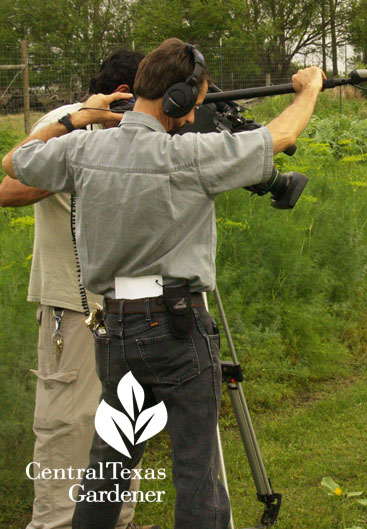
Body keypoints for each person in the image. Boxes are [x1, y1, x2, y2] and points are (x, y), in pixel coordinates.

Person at [2, 37, 325, 529]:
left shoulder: (85, 148)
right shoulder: (189, 156)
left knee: (106, 468)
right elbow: (278, 137)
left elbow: (14, 161)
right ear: (176, 99)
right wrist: (308, 90)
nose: (195, 115)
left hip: (114, 333)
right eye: (195, 103)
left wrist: (77, 118)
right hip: (178, 327)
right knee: (196, 469)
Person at [0, 49, 156, 529]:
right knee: (69, 425)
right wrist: (80, 145)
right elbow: (7, 189)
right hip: (75, 305)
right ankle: (57, 523)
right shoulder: (62, 124)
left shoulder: (150, 134)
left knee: (124, 423)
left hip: (136, 300)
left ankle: (117, 521)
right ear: (122, 97)